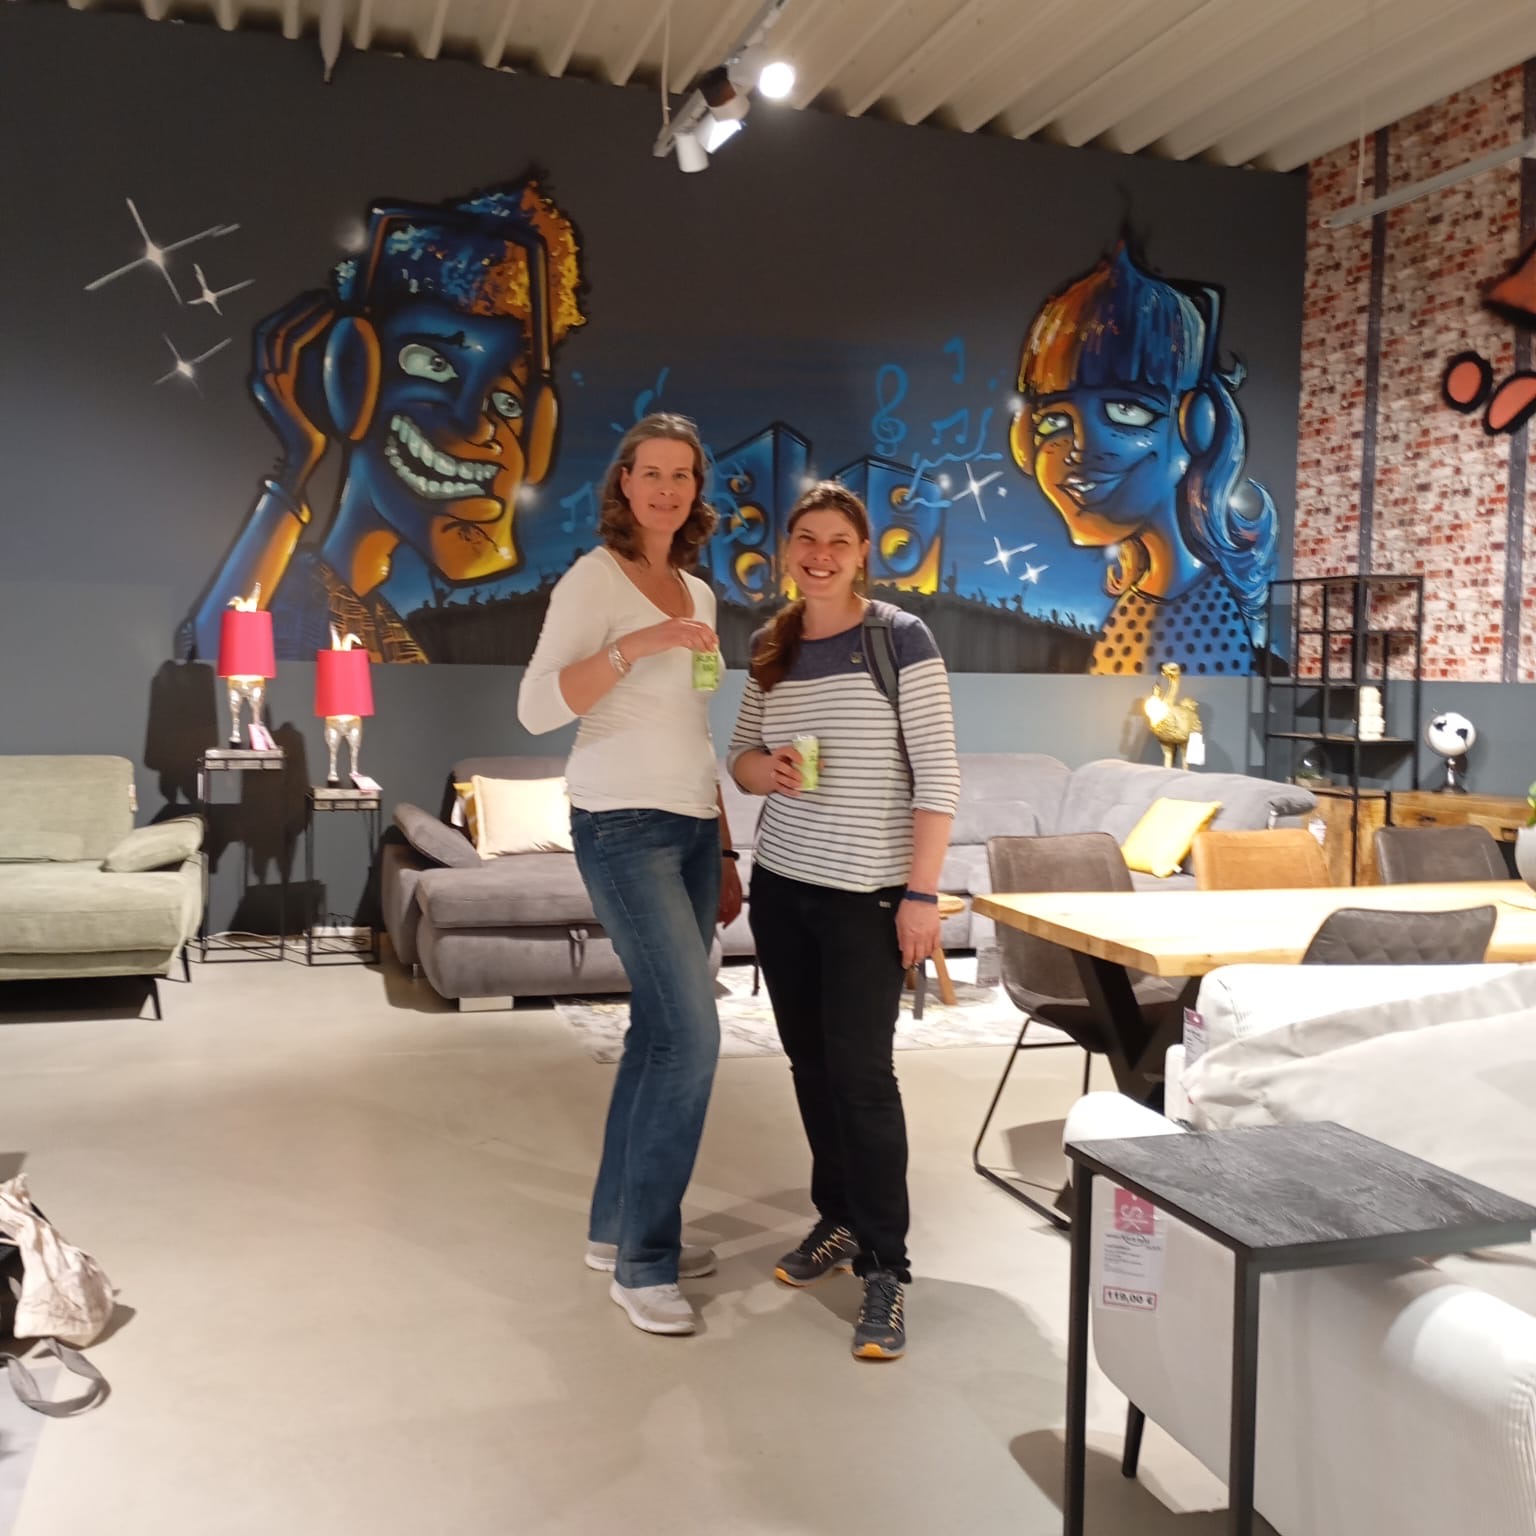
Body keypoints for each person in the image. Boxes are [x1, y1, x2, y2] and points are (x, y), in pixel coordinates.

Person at [518, 412, 742, 1337]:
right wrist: (635, 646)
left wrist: (722, 846)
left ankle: (617, 1229)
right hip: (619, 823)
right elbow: (536, 707)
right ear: (624, 483)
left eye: (683, 475)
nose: (666, 489)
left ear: (696, 491)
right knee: (692, 1035)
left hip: (690, 825)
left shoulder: (699, 593)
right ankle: (645, 1263)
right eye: (651, 472)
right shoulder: (594, 578)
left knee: (659, 1032)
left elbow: (694, 723)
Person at [727, 482, 959, 1361]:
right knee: (811, 1066)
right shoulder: (771, 644)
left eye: (838, 541)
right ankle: (837, 1218)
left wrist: (922, 895)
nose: (819, 555)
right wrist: (767, 771)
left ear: (863, 553)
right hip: (784, 887)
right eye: (806, 539)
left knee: (863, 1078)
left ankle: (887, 1268)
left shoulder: (899, 639)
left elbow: (938, 775)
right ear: (787, 549)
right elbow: (741, 756)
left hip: (869, 896)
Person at [181, 175, 586, 664]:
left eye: (507, 403)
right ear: (353, 378)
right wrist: (297, 466)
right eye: (434, 366)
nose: (477, 425)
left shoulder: (390, 636)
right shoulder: (299, 600)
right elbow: (211, 667)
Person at [1012, 240, 1278, 678]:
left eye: (1126, 410)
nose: (1080, 447)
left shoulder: (1203, 618)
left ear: (1198, 424)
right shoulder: (1145, 601)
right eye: (1054, 420)